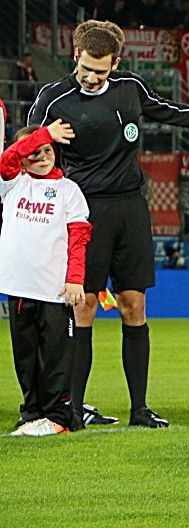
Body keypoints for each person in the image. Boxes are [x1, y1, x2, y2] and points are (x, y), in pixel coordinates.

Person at [28, 20, 189, 429]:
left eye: (101, 71)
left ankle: (140, 409)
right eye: (86, 68)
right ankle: (73, 409)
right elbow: (26, 149)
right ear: (75, 57)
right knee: (82, 307)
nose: (92, 77)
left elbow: (175, 114)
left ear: (115, 63)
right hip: (82, 212)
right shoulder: (53, 99)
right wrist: (43, 136)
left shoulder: (130, 88)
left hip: (131, 209)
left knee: (134, 305)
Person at [0, 122, 91, 436]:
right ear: (23, 157)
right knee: (25, 358)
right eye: (33, 152)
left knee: (54, 357)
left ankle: (58, 416)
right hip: (18, 286)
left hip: (55, 290)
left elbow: (78, 239)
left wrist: (76, 280)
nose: (41, 156)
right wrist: (44, 134)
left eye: (47, 150)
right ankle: (32, 414)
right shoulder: (11, 183)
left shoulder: (69, 192)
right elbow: (7, 159)